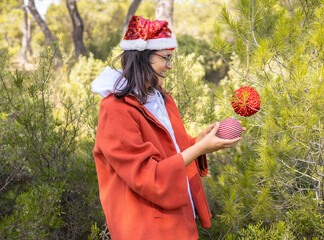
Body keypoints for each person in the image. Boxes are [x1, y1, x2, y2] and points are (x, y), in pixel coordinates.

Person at [91, 16, 244, 240]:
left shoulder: (162, 99)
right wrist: (199, 149)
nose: (170, 65)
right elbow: (146, 174)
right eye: (166, 58)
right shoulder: (115, 109)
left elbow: (171, 154)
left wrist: (199, 142)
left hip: (176, 219)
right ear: (142, 58)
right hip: (145, 227)